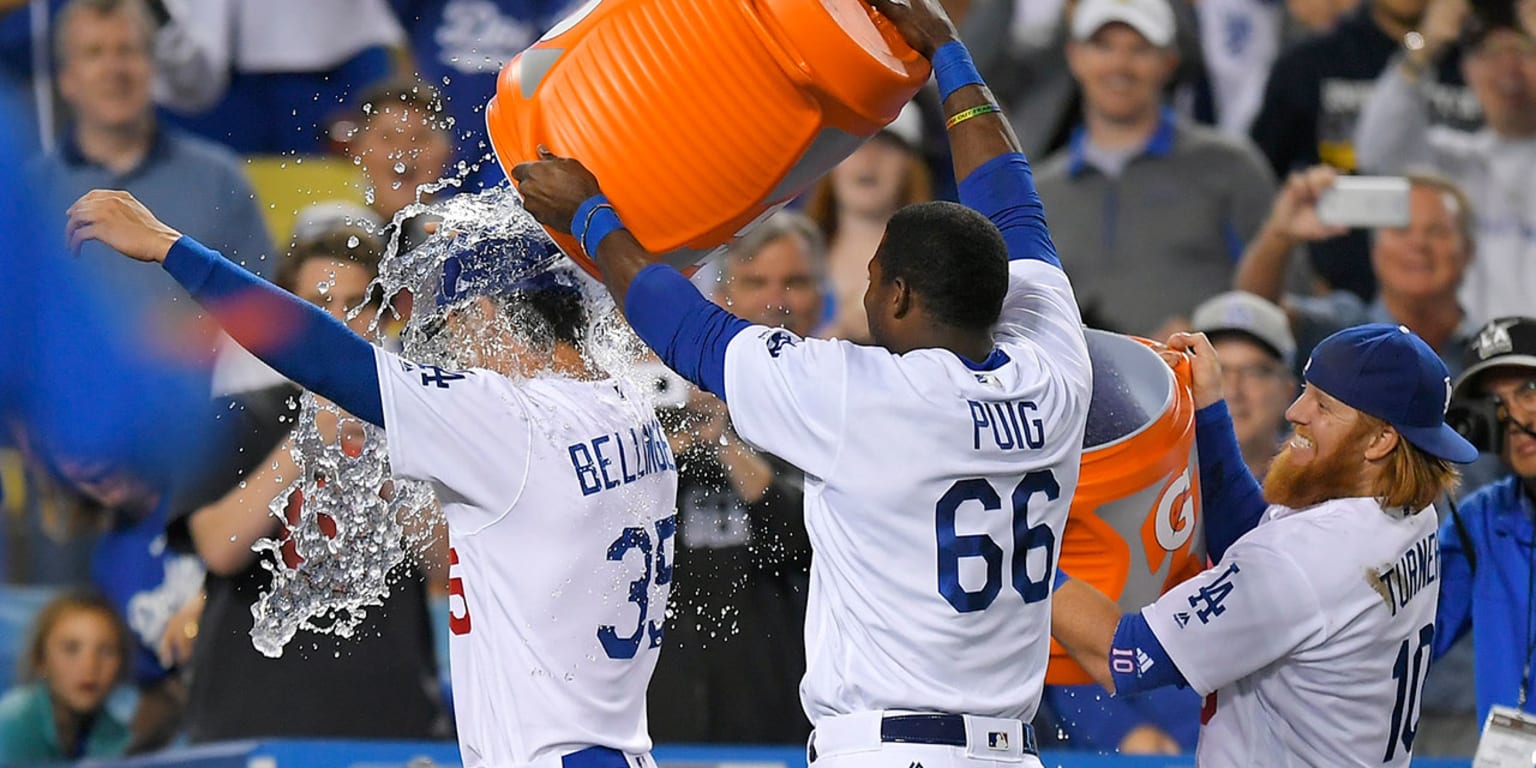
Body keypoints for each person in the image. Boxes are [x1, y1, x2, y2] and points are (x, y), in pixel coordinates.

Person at [514, 1, 1092, 765]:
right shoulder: (1054, 368)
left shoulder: (866, 397)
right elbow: (1012, 202)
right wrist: (948, 51)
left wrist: (589, 215)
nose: (867, 280)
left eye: (877, 271)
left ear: (900, 298)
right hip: (1008, 748)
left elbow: (686, 329)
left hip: (891, 747)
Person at [62, 188, 680, 768]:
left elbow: (329, 358)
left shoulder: (511, 424)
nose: (453, 353)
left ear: (487, 314)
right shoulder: (632, 408)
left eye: (453, 327)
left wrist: (172, 247)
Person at [1051, 323, 1478, 766]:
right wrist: (1210, 410)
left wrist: (1022, 548)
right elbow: (1260, 541)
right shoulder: (1409, 513)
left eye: (1324, 405)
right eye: (1308, 389)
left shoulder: (1308, 558)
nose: (1296, 411)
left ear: (1380, 440)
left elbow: (1123, 655)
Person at [162, 225, 447, 744]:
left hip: (388, 718)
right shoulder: (232, 418)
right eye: (318, 304)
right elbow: (219, 549)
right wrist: (310, 438)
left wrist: (384, 443)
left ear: (383, 316)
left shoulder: (418, 416)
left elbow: (445, 560)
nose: (336, 321)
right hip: (250, 714)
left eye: (356, 303)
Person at [648, 213, 820, 744]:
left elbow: (803, 538)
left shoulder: (838, 404)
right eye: (756, 282)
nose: (775, 300)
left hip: (782, 698)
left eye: (793, 281)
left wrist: (726, 442)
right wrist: (679, 437)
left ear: (821, 294)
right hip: (666, 702)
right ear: (723, 297)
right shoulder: (663, 409)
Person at [29, 0, 274, 359]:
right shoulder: (26, 193)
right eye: (94, 53)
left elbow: (266, 312)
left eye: (127, 50)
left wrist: (188, 339)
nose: (114, 69)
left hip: (202, 402)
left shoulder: (220, 179)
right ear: (66, 79)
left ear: (153, 67)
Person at [1033, 0, 1275, 338]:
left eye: (1140, 49)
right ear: (1074, 56)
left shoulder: (1230, 166)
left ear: (1169, 62)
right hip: (1079, 385)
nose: (1120, 64)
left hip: (1202, 381)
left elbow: (1284, 303)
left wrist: (1206, 331)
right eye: (1103, 46)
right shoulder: (1039, 191)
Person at [1354, 0, 1536, 325]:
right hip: (1469, 355)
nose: (1509, 68)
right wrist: (1426, 41)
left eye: (1525, 51)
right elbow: (1374, 150)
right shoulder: (1449, 161)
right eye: (1490, 53)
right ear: (1467, 70)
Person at [1236, 166, 1480, 378]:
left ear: (1468, 250)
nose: (1418, 244)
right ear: (1375, 248)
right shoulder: (1340, 332)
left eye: (1436, 231)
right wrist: (1280, 235)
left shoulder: (1489, 352)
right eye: (1401, 230)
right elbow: (1252, 316)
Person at [1436, 316, 1536, 725]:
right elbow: (1409, 634)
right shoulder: (1482, 520)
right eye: (1495, 404)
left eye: (1528, 391)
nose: (1516, 418)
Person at [803, 103, 933, 343]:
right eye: (854, 145)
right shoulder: (782, 252)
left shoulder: (940, 265)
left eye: (887, 146)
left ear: (910, 166)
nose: (868, 159)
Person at [0, 592, 131, 762]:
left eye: (107, 651)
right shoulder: (11, 725)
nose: (90, 666)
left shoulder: (117, 735)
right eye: (71, 649)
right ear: (40, 661)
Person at [1190, 291, 1299, 478]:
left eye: (1254, 372)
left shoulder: (1316, 493)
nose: (1233, 391)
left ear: (1288, 391)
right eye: (1217, 372)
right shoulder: (1158, 482)